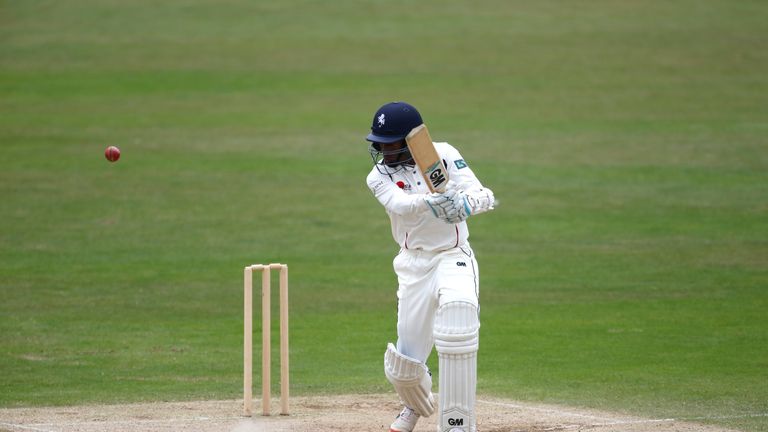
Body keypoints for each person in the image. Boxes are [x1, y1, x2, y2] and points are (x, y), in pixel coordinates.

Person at [364, 102, 496, 432]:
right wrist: (434, 202)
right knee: (404, 366)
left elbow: (484, 195)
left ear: (412, 142)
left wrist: (465, 203)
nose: (383, 151)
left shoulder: (445, 154)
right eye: (379, 143)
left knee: (459, 317)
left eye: (390, 143)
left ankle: (458, 423)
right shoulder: (377, 177)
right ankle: (413, 405)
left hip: (453, 256)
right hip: (413, 264)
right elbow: (400, 204)